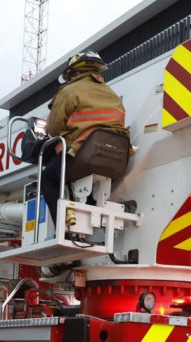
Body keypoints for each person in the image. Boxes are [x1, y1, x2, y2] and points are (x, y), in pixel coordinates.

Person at [42, 50, 128, 222]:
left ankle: (64, 223)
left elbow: (53, 128)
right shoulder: (112, 94)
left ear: (76, 73)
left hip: (84, 153)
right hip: (116, 159)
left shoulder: (69, 91)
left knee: (48, 178)